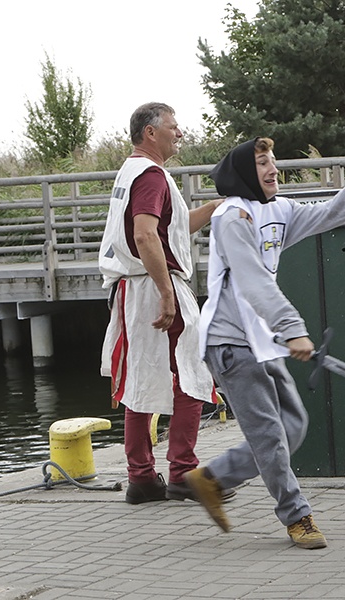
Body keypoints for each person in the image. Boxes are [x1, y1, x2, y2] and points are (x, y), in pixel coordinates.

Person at [183, 136, 345, 549]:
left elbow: (333, 211)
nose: (274, 169)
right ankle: (298, 517)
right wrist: (293, 327)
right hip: (230, 342)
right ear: (245, 172)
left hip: (262, 340)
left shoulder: (278, 210)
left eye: (273, 161)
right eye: (263, 163)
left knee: (293, 427)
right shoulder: (232, 217)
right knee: (269, 435)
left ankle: (212, 479)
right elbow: (253, 279)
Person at [99, 102, 224, 505]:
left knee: (141, 378)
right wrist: (168, 293)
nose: (180, 133)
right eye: (173, 126)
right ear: (150, 132)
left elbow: (171, 227)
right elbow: (146, 235)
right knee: (190, 375)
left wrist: (213, 208)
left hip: (132, 289)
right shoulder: (152, 175)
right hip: (155, 284)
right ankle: (183, 472)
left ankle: (140, 477)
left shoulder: (130, 171)